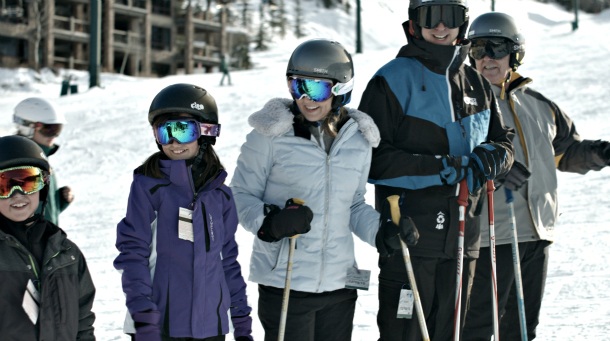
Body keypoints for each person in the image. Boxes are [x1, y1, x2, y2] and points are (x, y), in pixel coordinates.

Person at [357, 0, 516, 340]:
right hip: (410, 237)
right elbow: (370, 159)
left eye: (451, 17)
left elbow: (505, 145)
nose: (441, 26)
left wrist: (492, 157)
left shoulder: (475, 82)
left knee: (451, 332)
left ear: (463, 23)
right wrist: (441, 168)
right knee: (406, 333)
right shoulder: (391, 79)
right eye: (431, 16)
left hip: (464, 236)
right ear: (414, 23)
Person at [230, 38, 400, 341]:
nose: (307, 98)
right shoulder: (269, 136)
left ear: (340, 88)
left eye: (318, 88)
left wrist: (381, 230)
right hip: (285, 282)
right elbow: (240, 195)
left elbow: (354, 206)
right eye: (298, 86)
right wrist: (270, 222)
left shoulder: (358, 140)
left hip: (340, 285)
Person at [462, 12, 610, 341]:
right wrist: (495, 168)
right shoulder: (462, 105)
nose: (487, 58)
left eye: (497, 48)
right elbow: (451, 158)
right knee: (478, 326)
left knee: (523, 327)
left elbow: (563, 152)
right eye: (478, 49)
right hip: (489, 236)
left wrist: (599, 153)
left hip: (535, 233)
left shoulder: (538, 106)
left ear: (515, 54)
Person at [113, 83, 253, 341]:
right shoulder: (149, 187)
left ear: (206, 133)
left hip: (211, 328)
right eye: (165, 132)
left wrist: (241, 321)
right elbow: (133, 254)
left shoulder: (221, 196)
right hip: (161, 326)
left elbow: (227, 262)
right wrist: (143, 318)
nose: (174, 142)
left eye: (183, 130)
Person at [0, 135, 96, 340]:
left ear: (43, 186)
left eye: (27, 182)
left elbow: (83, 323)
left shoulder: (67, 254)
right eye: (4, 185)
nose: (17, 194)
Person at [13, 97, 74, 226]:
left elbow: (39, 207)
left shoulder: (40, 159)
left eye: (57, 129)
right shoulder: (19, 163)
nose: (53, 136)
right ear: (28, 127)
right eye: (49, 129)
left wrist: (59, 201)